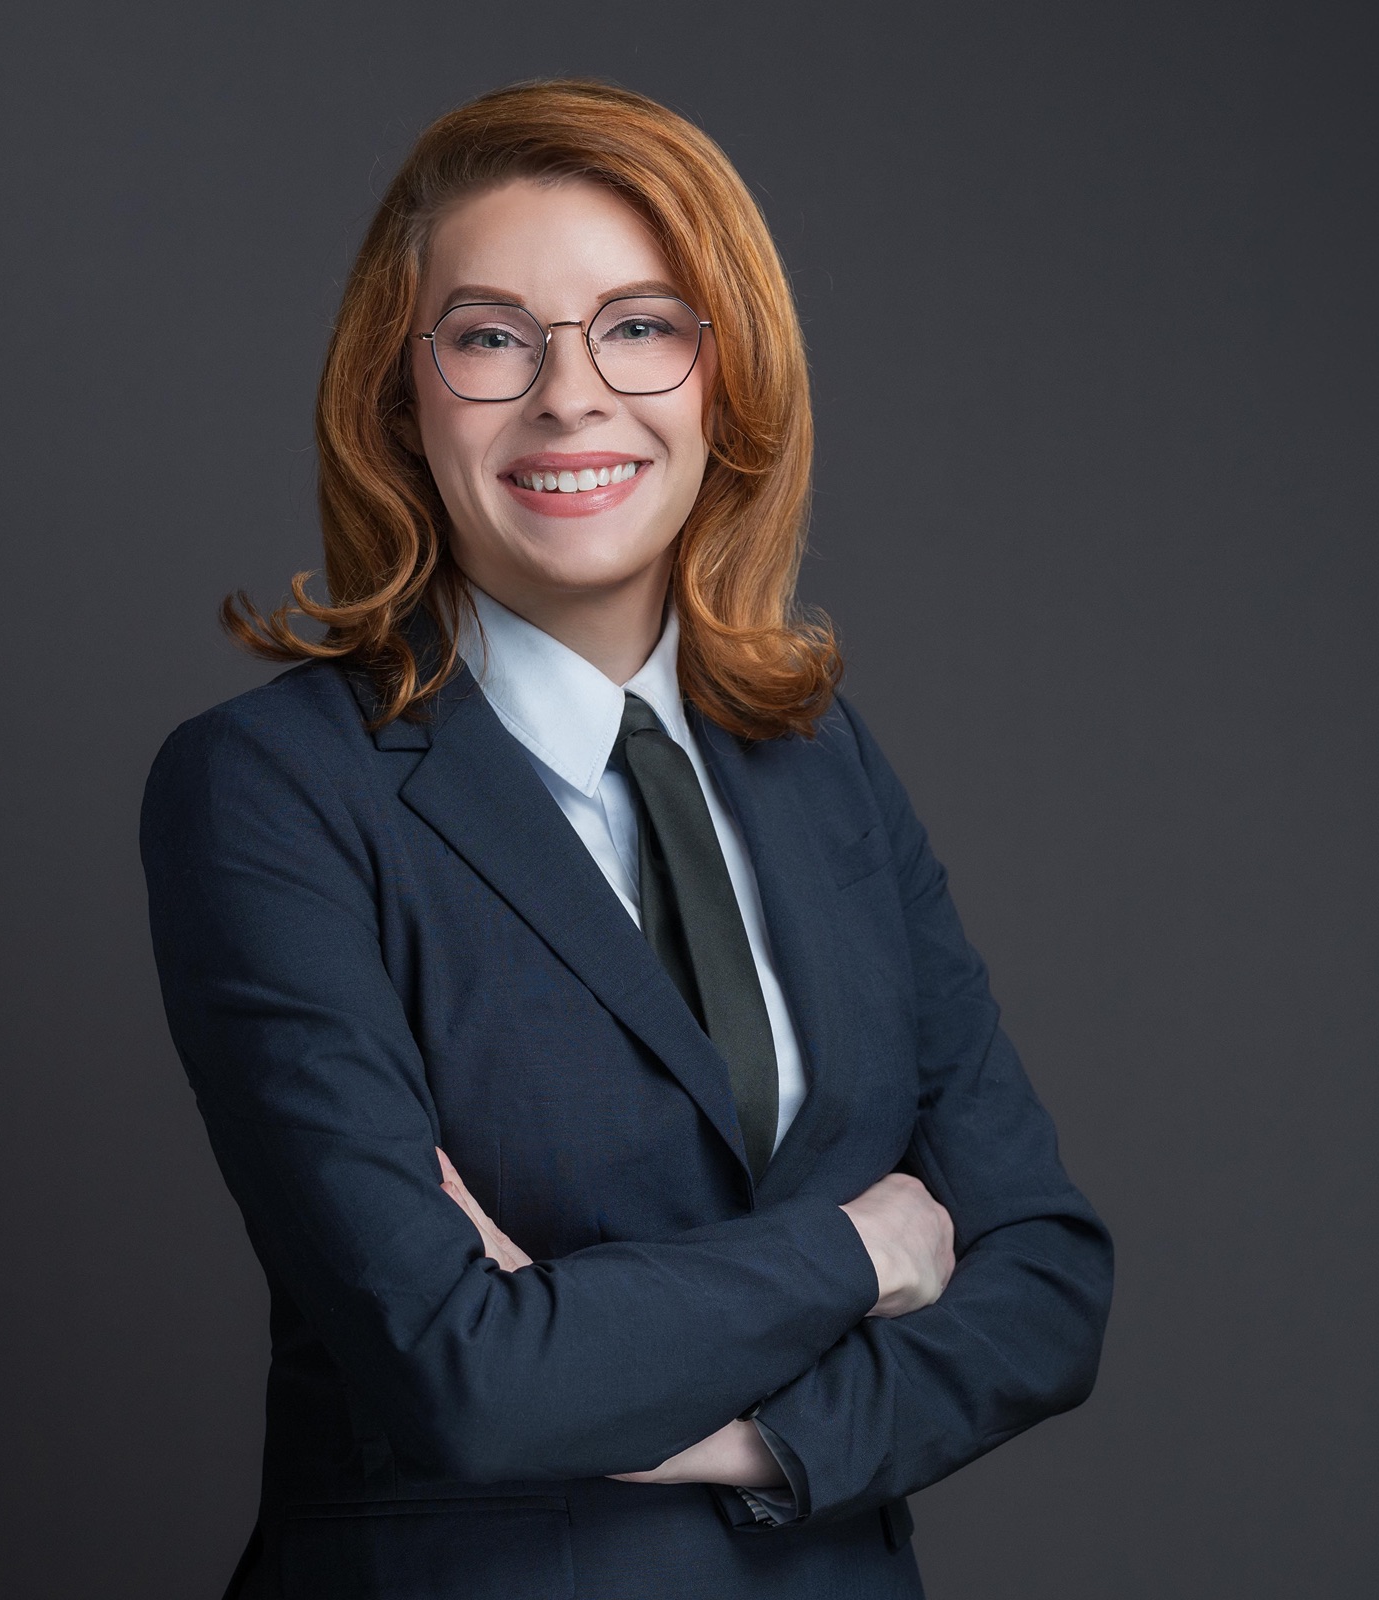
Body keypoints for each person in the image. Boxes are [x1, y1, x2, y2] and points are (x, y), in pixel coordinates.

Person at [140, 79, 1113, 1600]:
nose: (572, 396)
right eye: (491, 339)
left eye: (643, 326)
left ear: (729, 381)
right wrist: (864, 1252)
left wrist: (735, 1439)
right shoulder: (271, 792)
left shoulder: (820, 764)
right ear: (400, 398)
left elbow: (1047, 1286)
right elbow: (466, 1376)